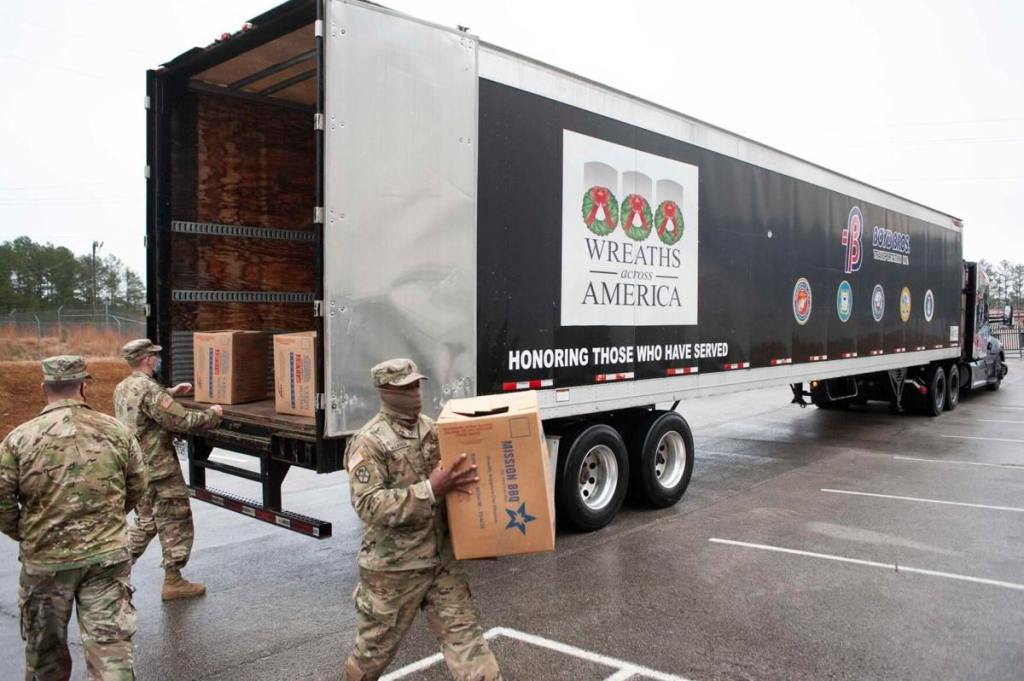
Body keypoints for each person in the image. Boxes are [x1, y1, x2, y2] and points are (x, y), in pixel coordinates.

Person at [344, 358, 503, 681]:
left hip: (441, 564)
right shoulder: (369, 442)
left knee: (469, 645)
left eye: (418, 385)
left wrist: (483, 533)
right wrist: (430, 490)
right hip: (394, 570)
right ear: (387, 391)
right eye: (407, 388)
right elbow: (370, 505)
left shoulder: (433, 430)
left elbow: (460, 485)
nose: (416, 393)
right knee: (372, 656)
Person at [0, 355, 148, 681]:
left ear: (44, 388)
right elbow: (137, 485)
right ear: (84, 386)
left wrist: (28, 532)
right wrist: (106, 520)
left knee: (45, 658)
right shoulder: (117, 432)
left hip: (46, 562)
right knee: (112, 655)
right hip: (106, 557)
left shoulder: (19, 439)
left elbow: (2, 502)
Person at [113, 338, 222, 601]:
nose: (157, 359)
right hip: (159, 469)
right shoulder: (150, 391)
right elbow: (182, 421)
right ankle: (173, 580)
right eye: (155, 356)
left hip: (137, 468)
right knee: (176, 520)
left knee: (147, 522)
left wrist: (169, 393)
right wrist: (214, 414)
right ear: (147, 359)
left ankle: (110, 573)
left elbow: (143, 406)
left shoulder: (124, 386)